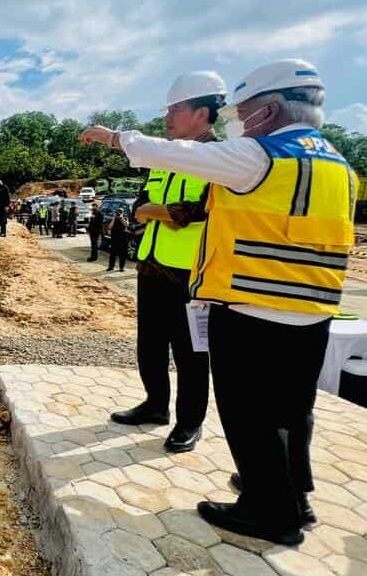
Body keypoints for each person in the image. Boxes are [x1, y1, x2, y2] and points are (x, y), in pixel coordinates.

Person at [80, 59, 358, 546]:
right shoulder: (337, 163)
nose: (241, 124)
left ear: (270, 110)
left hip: (253, 301)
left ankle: (269, 511)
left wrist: (112, 137)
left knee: (248, 412)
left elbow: (163, 157)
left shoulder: (259, 156)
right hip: (312, 308)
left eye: (246, 114)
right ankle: (293, 495)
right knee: (293, 411)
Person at [110, 72, 224, 455]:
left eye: (176, 109)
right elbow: (138, 208)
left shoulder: (218, 160)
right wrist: (157, 212)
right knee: (151, 345)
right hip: (151, 266)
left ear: (202, 113)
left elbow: (191, 212)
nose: (167, 117)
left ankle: (189, 422)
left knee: (192, 353)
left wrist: (155, 212)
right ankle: (155, 405)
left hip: (191, 274)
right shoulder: (162, 161)